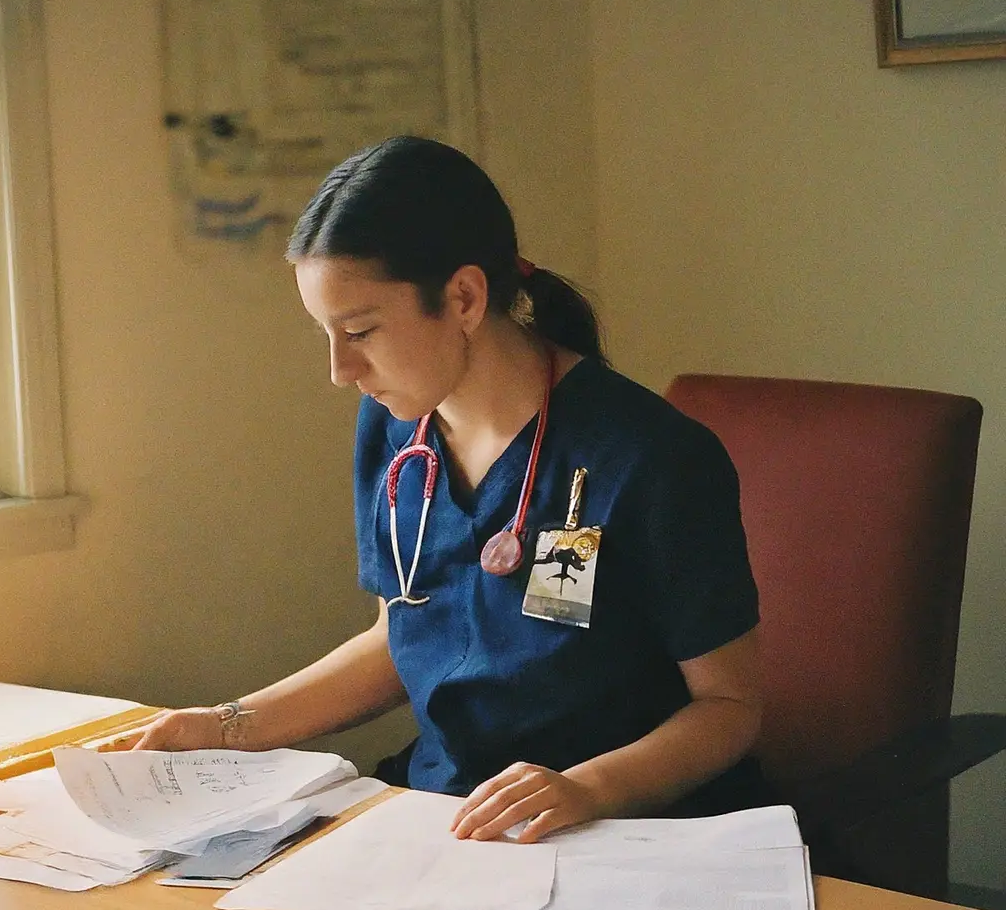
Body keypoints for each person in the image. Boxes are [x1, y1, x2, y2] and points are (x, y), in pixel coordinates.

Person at [121, 135, 766, 843]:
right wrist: (226, 726)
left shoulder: (652, 458)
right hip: (445, 815)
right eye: (324, 334)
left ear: (463, 297)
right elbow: (404, 635)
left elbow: (729, 706)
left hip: (617, 832)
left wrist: (587, 788)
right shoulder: (397, 431)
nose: (340, 370)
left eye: (360, 330)